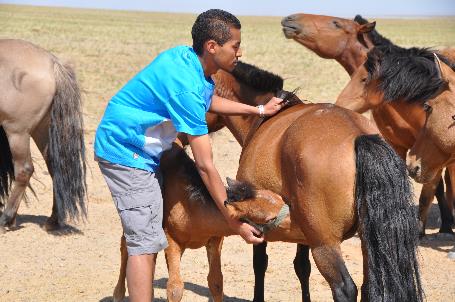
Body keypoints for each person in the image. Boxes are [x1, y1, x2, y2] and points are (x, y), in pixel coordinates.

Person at [94, 8, 283, 301]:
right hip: (125, 152)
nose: (240, 52)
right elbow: (206, 166)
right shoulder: (185, 89)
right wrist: (232, 219)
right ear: (212, 47)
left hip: (144, 148)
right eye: (235, 45)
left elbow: (209, 100)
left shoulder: (187, 60)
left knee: (148, 232)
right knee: (144, 244)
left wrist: (257, 110)